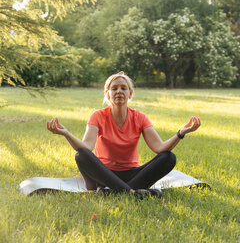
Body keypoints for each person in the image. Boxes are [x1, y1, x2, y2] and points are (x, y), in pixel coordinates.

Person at [47, 71, 201, 197]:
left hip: (132, 175)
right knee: (81, 155)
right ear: (107, 94)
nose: (119, 91)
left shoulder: (140, 117)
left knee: (168, 157)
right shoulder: (98, 116)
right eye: (114, 88)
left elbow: (160, 148)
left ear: (130, 93)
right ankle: (132, 193)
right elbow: (87, 147)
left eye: (123, 88)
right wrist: (66, 133)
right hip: (103, 174)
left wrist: (181, 133)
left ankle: (113, 193)